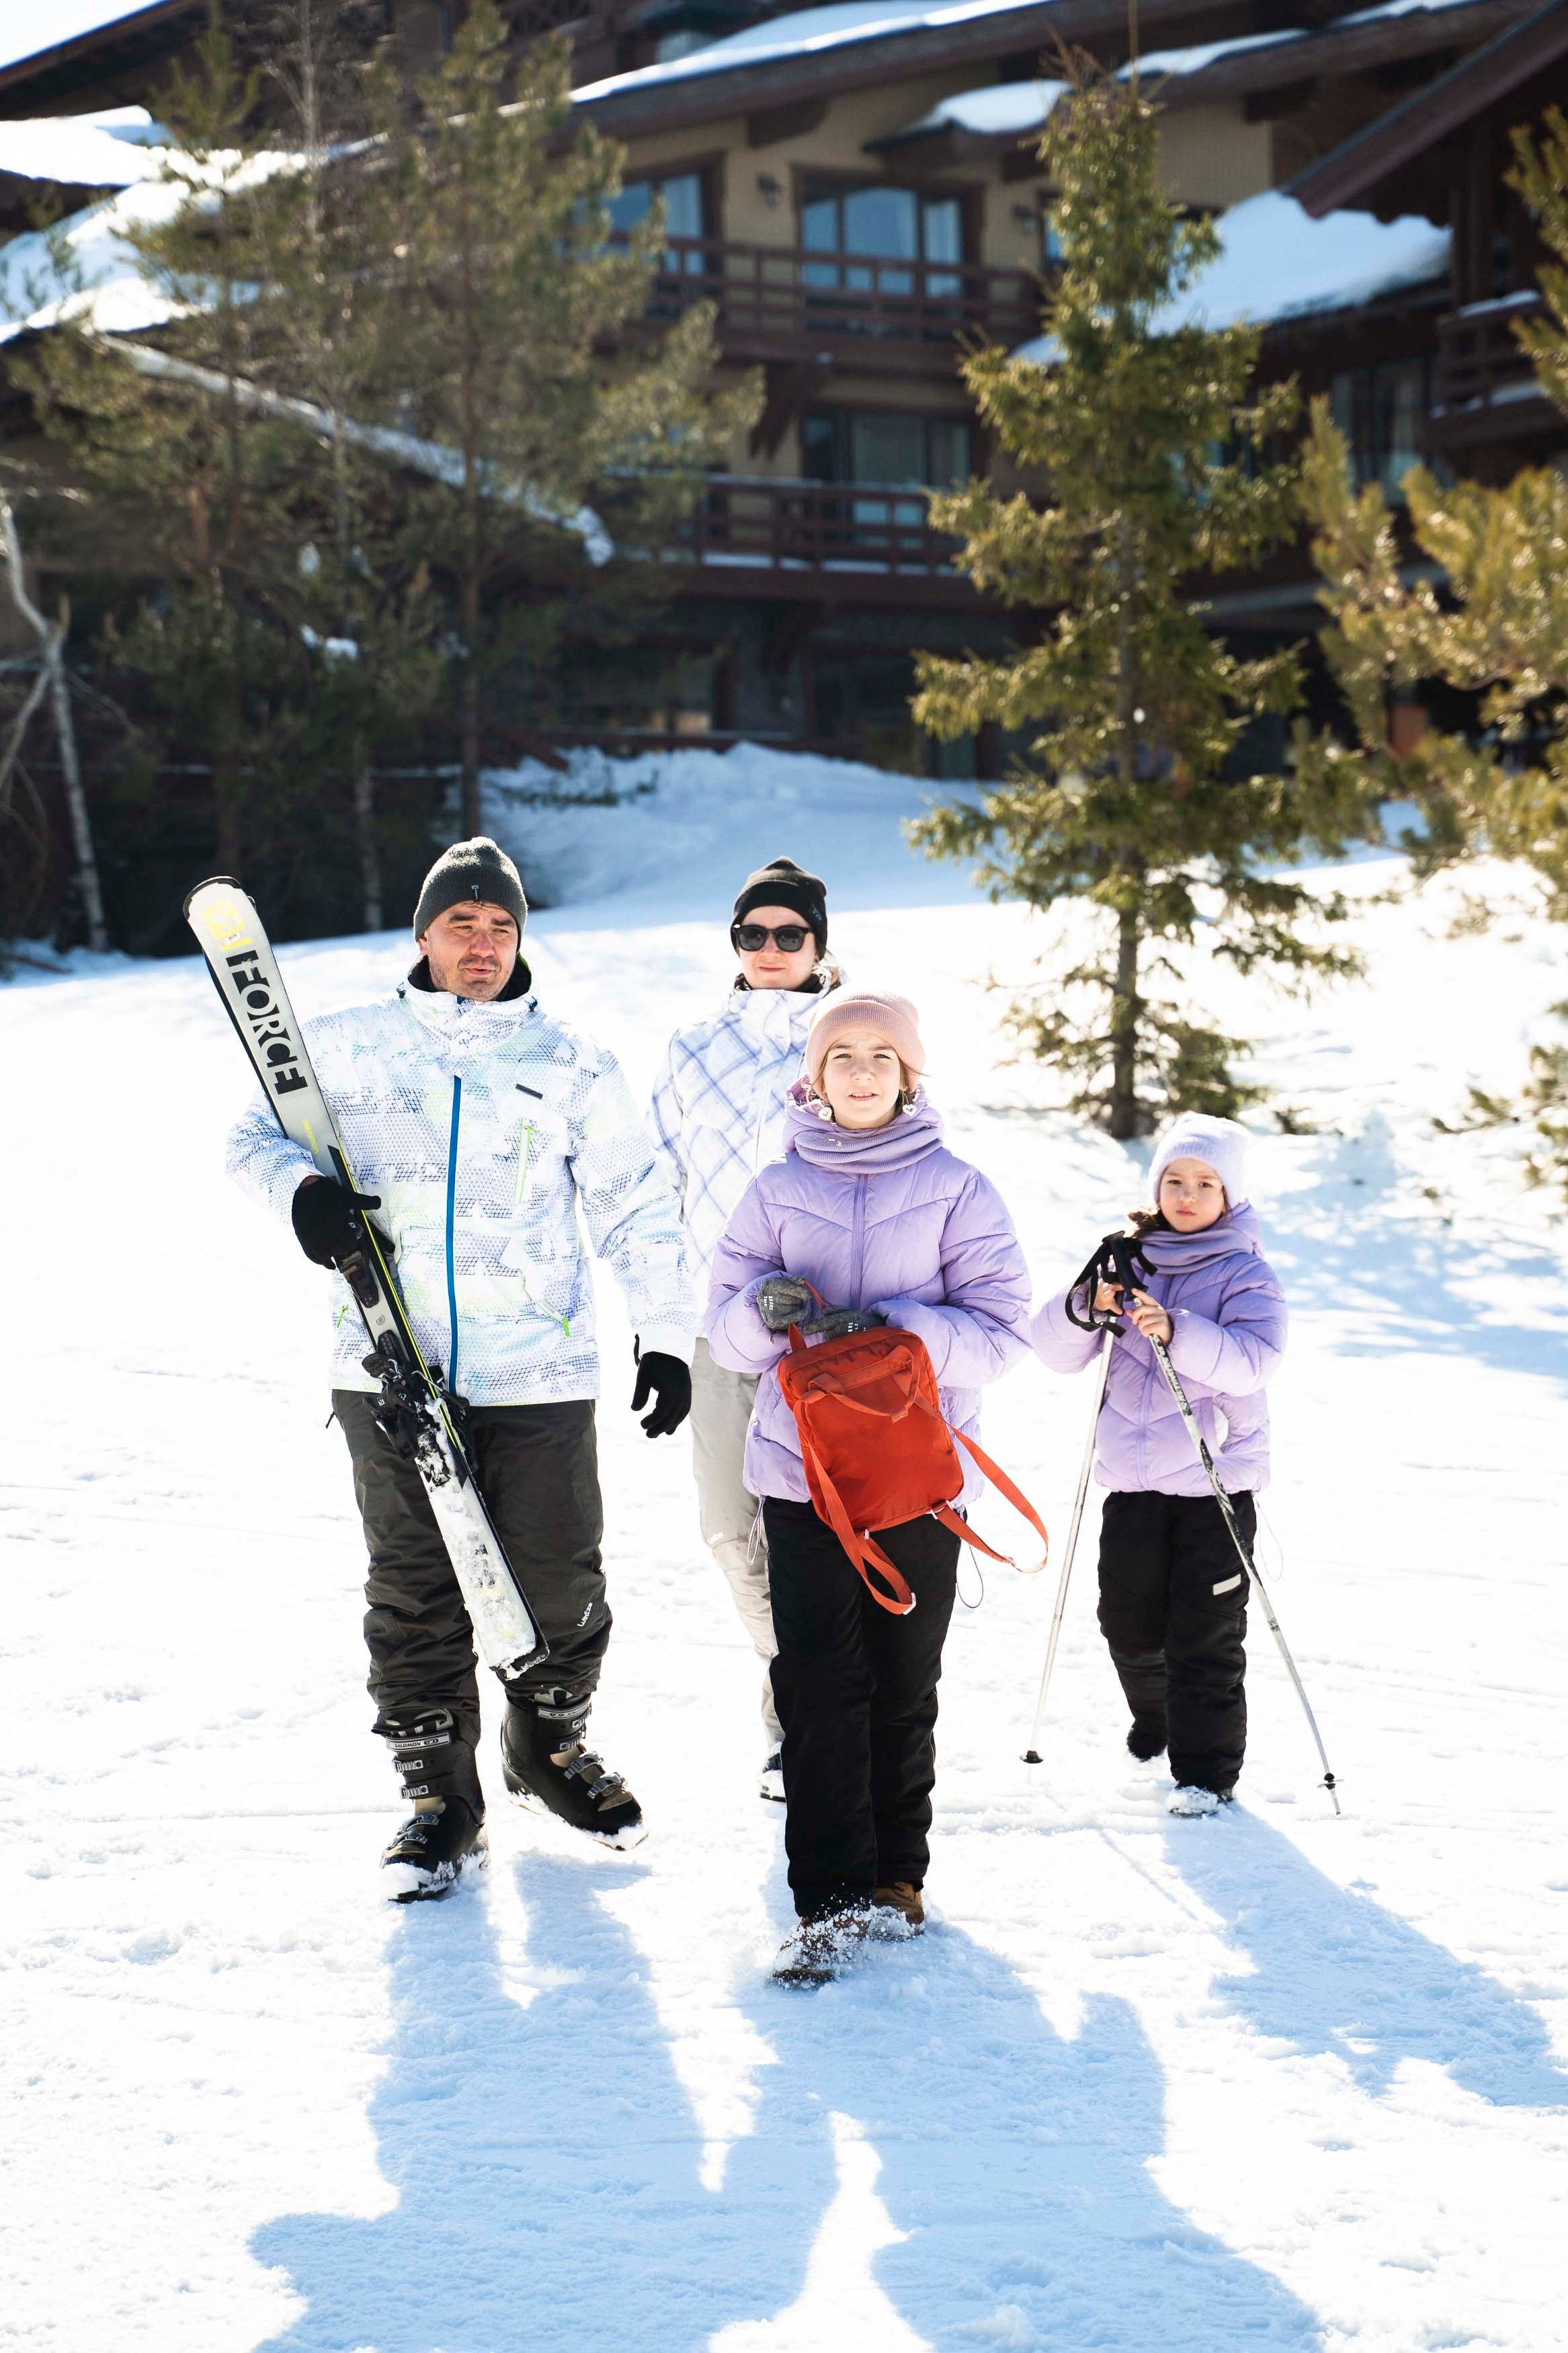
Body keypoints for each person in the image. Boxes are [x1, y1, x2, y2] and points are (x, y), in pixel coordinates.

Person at [226, 836, 694, 1899]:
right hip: (384, 1360)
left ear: (519, 939)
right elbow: (253, 1138)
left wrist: (663, 1332)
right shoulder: (343, 1050)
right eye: (460, 925)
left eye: (500, 926)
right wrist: (301, 1195)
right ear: (422, 936)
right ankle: (440, 1794)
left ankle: (549, 1748)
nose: (480, 944)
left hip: (537, 1369)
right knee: (413, 1584)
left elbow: (636, 1202)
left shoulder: (573, 1064)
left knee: (559, 1579)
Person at [705, 990, 1031, 1983]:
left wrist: (901, 1327)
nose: (857, 1072)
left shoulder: (959, 1190)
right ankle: (827, 1901)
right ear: (814, 1075)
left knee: (901, 1683)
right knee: (814, 1685)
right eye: (839, 1054)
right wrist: (766, 1315)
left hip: (917, 1479)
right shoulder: (771, 1189)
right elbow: (723, 1331)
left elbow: (1004, 1332)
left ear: (908, 1076)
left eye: (878, 1057)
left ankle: (896, 1877)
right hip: (803, 1481)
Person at [649, 856, 840, 1804]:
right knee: (731, 1529)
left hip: (834, 1338)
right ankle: (797, 1682)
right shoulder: (692, 1046)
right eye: (751, 935)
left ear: (821, 944)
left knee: (822, 1532)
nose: (769, 952)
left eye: (789, 935)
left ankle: (806, 1722)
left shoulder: (856, 1040)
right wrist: (661, 1323)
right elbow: (655, 1187)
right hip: (723, 1333)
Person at [1031, 1113, 1287, 1817]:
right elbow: (1053, 1351)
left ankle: (1204, 1774)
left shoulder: (1245, 1271)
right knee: (1126, 1621)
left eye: (1205, 1182)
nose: (1186, 1192)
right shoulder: (1127, 1257)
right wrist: (1085, 1303)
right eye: (1173, 1179)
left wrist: (1177, 1330)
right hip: (1133, 1482)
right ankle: (1158, 1719)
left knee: (1203, 1633)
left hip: (1214, 1483)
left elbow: (1253, 1360)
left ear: (1229, 1195)